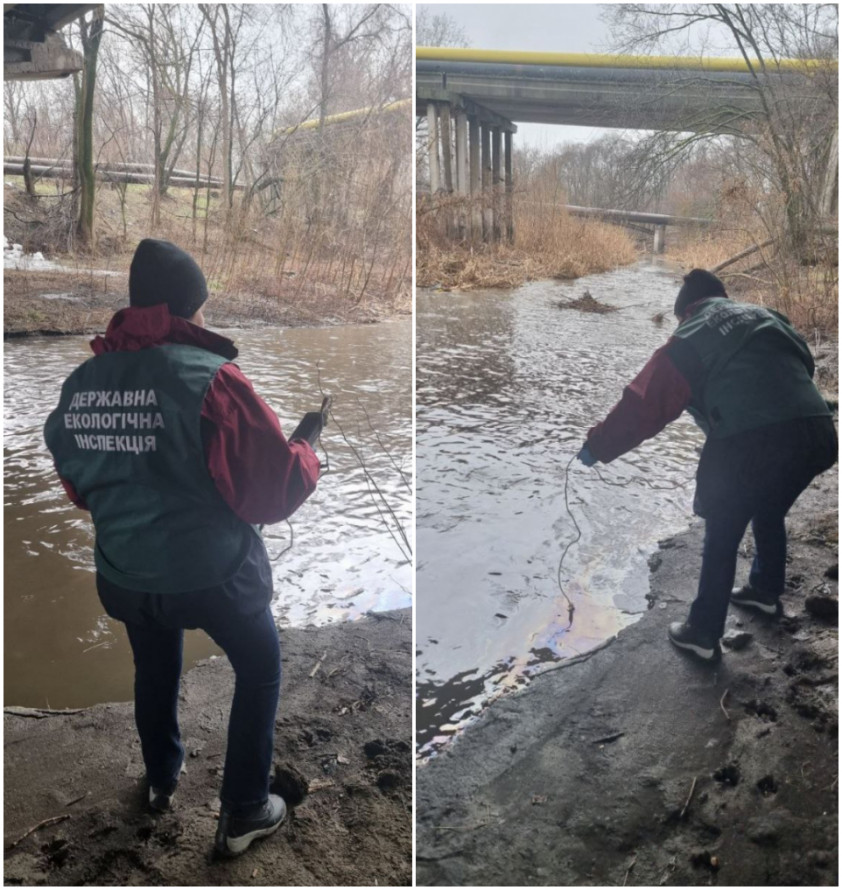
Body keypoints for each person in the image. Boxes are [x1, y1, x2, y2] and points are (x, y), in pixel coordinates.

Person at [44, 238, 322, 856]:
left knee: (155, 666)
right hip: (215, 578)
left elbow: (79, 486)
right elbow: (272, 492)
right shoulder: (215, 380)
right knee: (259, 667)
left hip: (125, 576)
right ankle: (246, 809)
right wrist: (309, 452)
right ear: (189, 310)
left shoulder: (81, 383)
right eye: (201, 307)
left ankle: (161, 782)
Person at [577, 268, 837, 662]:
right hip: (818, 433)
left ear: (685, 312)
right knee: (770, 506)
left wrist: (598, 445)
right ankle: (765, 592)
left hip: (752, 440)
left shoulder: (688, 338)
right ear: (722, 297)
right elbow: (803, 365)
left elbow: (645, 406)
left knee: (723, 526)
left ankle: (702, 632)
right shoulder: (768, 317)